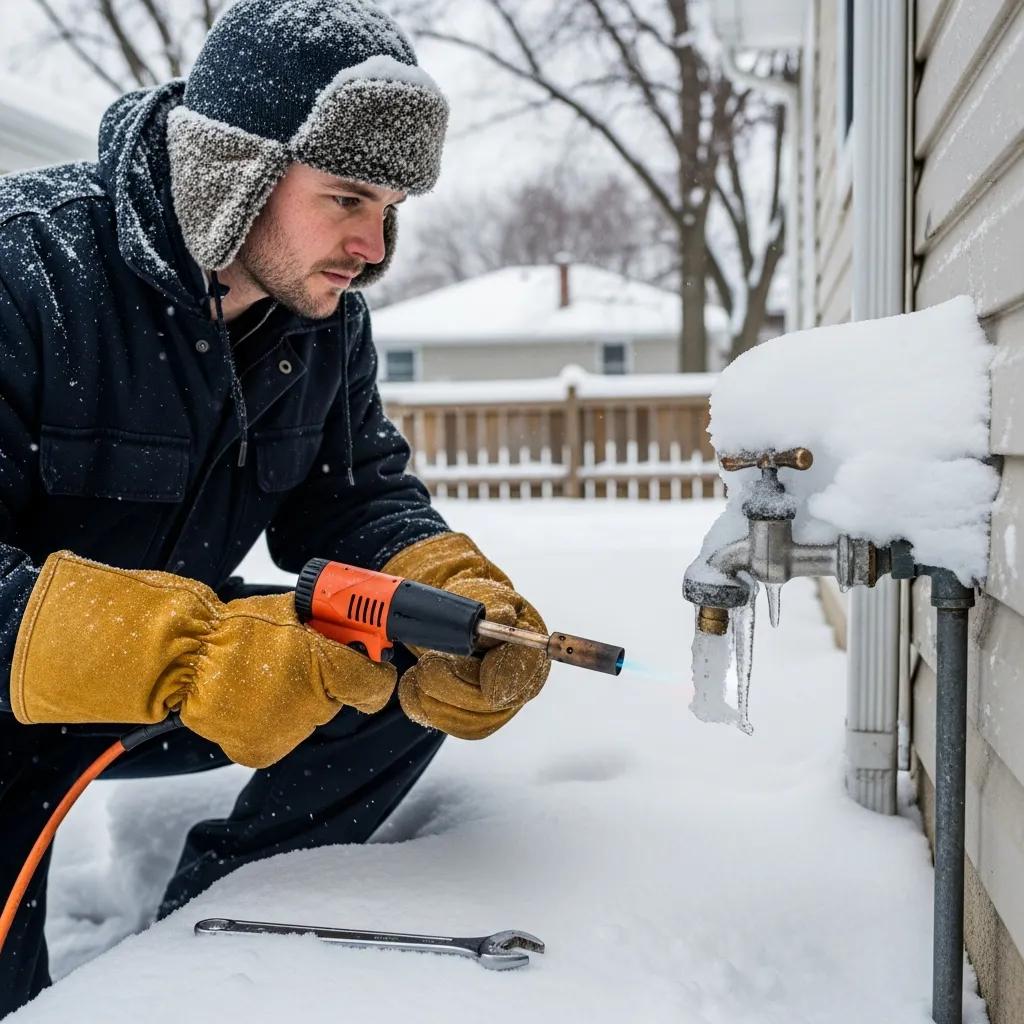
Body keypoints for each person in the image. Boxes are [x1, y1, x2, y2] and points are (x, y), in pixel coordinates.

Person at [0, 0, 548, 1014]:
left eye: (390, 206)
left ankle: (202, 943)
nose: (372, 244)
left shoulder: (321, 326)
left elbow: (357, 498)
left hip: (159, 684)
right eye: (346, 197)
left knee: (390, 654)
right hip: (7, 691)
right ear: (230, 170)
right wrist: (189, 649)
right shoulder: (27, 269)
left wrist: (440, 587)